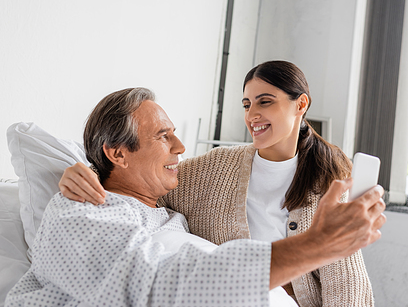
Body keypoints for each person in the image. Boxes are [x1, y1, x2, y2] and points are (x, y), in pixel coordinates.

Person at [60, 62, 382, 306]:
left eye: (265, 101)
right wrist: (82, 172)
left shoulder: (330, 176)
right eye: (246, 104)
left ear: (300, 105)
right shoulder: (212, 171)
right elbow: (139, 179)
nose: (252, 114)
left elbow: (346, 282)